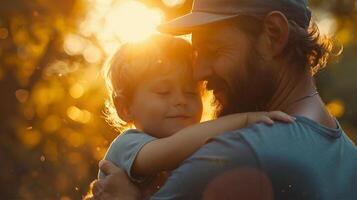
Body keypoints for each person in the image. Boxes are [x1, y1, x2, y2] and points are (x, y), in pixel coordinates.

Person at [90, 0, 357, 199]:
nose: (199, 73)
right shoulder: (348, 156)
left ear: (274, 34)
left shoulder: (240, 151)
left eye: (214, 50)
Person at [86, 34, 294, 199]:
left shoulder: (194, 150)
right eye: (163, 92)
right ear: (125, 108)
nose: (180, 101)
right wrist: (244, 120)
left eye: (191, 93)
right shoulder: (127, 145)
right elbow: (174, 147)